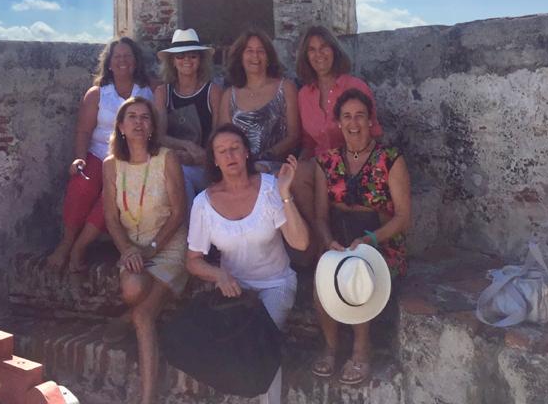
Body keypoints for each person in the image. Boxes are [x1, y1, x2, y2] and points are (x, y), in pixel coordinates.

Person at [187, 124, 309, 404]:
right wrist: (218, 273)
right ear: (214, 160)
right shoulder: (203, 204)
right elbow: (192, 261)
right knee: (225, 345)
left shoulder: (269, 188)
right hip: (236, 292)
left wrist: (286, 193)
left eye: (234, 149)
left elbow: (300, 243)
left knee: (260, 337)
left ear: (246, 153)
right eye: (222, 151)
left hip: (276, 283)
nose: (229, 156)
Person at [311, 88, 411, 386]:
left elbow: (404, 218)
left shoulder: (390, 159)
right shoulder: (325, 162)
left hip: (379, 244)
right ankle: (331, 346)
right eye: (347, 117)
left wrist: (369, 241)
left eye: (360, 116)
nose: (353, 123)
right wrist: (328, 242)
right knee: (324, 277)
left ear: (370, 121)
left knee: (358, 273)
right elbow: (319, 216)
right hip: (339, 240)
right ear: (338, 123)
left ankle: (361, 348)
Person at [102, 96, 187, 404]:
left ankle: (148, 397)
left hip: (169, 244)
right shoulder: (111, 165)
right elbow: (111, 216)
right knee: (132, 288)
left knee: (143, 314)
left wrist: (153, 248)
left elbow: (179, 212)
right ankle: (126, 316)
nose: (139, 122)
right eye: (132, 117)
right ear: (121, 127)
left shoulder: (166, 158)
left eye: (145, 118)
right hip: (133, 247)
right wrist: (127, 250)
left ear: (152, 126)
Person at [47, 38, 154, 273]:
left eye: (128, 56)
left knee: (112, 197)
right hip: (97, 153)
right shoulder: (97, 94)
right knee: (81, 185)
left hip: (129, 158)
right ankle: (66, 243)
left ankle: (80, 248)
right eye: (117, 57)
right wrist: (80, 158)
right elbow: (84, 131)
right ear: (109, 64)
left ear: (135, 62)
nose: (123, 61)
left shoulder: (148, 91)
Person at [153, 28, 221, 207]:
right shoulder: (162, 93)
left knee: (183, 177)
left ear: (200, 60)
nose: (186, 61)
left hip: (206, 164)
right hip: (173, 160)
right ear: (173, 62)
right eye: (180, 56)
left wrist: (201, 157)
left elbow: (219, 134)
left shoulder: (212, 92)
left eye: (192, 56)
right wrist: (187, 146)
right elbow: (159, 136)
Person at [216, 29, 299, 173]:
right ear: (240, 57)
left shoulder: (286, 88)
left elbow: (294, 136)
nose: (255, 56)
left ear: (269, 57)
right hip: (238, 167)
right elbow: (224, 139)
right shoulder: (229, 95)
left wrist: (263, 158)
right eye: (249, 51)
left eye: (261, 51)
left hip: (277, 167)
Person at [295, 25, 382, 160]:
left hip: (354, 162)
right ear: (306, 57)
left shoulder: (356, 87)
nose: (318, 54)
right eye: (312, 49)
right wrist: (298, 168)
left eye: (324, 47)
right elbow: (308, 144)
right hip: (320, 164)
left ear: (334, 50)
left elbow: (373, 133)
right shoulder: (304, 95)